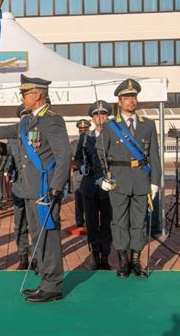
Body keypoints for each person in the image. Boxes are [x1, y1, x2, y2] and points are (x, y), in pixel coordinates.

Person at [0, 74, 71, 303]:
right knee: (37, 236)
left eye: (25, 93)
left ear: (37, 95)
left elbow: (64, 155)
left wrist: (57, 188)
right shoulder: (28, 121)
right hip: (29, 189)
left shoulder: (52, 120)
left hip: (45, 190)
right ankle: (46, 280)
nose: (22, 97)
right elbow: (5, 131)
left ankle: (53, 285)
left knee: (48, 236)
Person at [96, 78, 161, 279]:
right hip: (118, 180)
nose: (131, 101)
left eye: (133, 97)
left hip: (141, 179)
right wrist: (102, 179)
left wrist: (155, 181)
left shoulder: (148, 125)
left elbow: (155, 156)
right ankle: (123, 260)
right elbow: (100, 154)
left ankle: (135, 259)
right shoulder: (110, 126)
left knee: (139, 222)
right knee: (119, 221)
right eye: (126, 97)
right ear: (119, 101)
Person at [75, 101, 113, 270]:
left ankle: (105, 256)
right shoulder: (85, 138)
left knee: (107, 222)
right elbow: (78, 156)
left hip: (108, 186)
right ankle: (95, 255)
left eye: (104, 115)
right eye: (98, 115)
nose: (101, 118)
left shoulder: (113, 136)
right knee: (91, 223)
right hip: (90, 186)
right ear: (92, 118)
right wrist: (81, 165)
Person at [4, 105, 37, 271]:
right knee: (20, 224)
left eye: (28, 115)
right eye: (23, 116)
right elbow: (12, 160)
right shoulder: (12, 137)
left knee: (36, 223)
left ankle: (37, 258)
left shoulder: (36, 134)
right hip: (18, 185)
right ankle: (23, 256)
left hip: (34, 184)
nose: (25, 119)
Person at [72, 119, 90, 227]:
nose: (83, 132)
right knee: (78, 197)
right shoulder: (73, 143)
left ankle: (90, 219)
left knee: (90, 197)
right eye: (81, 130)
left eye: (85, 130)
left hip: (91, 172)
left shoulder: (93, 141)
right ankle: (79, 220)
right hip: (78, 173)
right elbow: (70, 159)